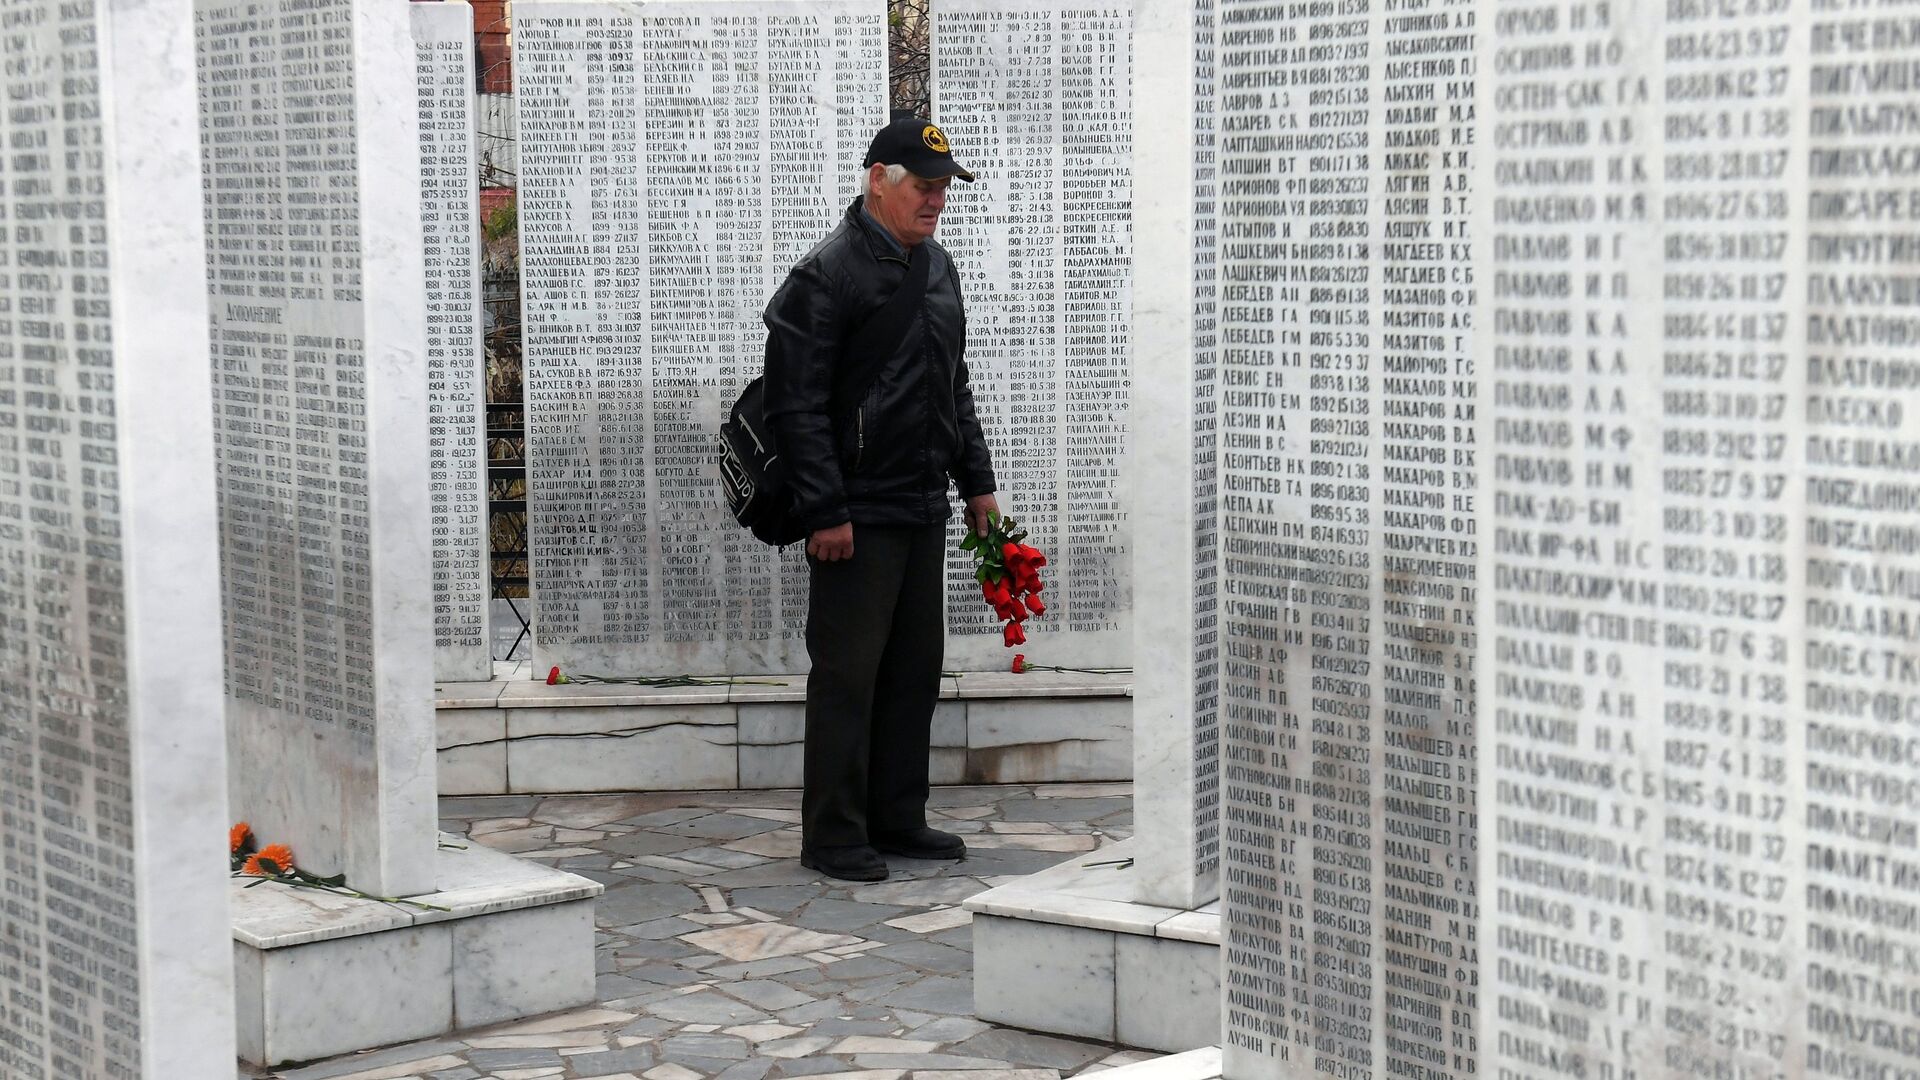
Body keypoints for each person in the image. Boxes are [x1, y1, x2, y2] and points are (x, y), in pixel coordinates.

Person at [761, 117, 998, 882]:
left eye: (942, 188)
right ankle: (832, 834)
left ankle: (899, 817)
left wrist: (979, 485)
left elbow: (951, 385)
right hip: (857, 513)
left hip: (922, 503)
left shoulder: (938, 269)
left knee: (912, 673)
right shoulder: (825, 276)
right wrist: (826, 509)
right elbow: (795, 406)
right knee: (848, 677)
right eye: (923, 185)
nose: (936, 200)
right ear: (877, 180)